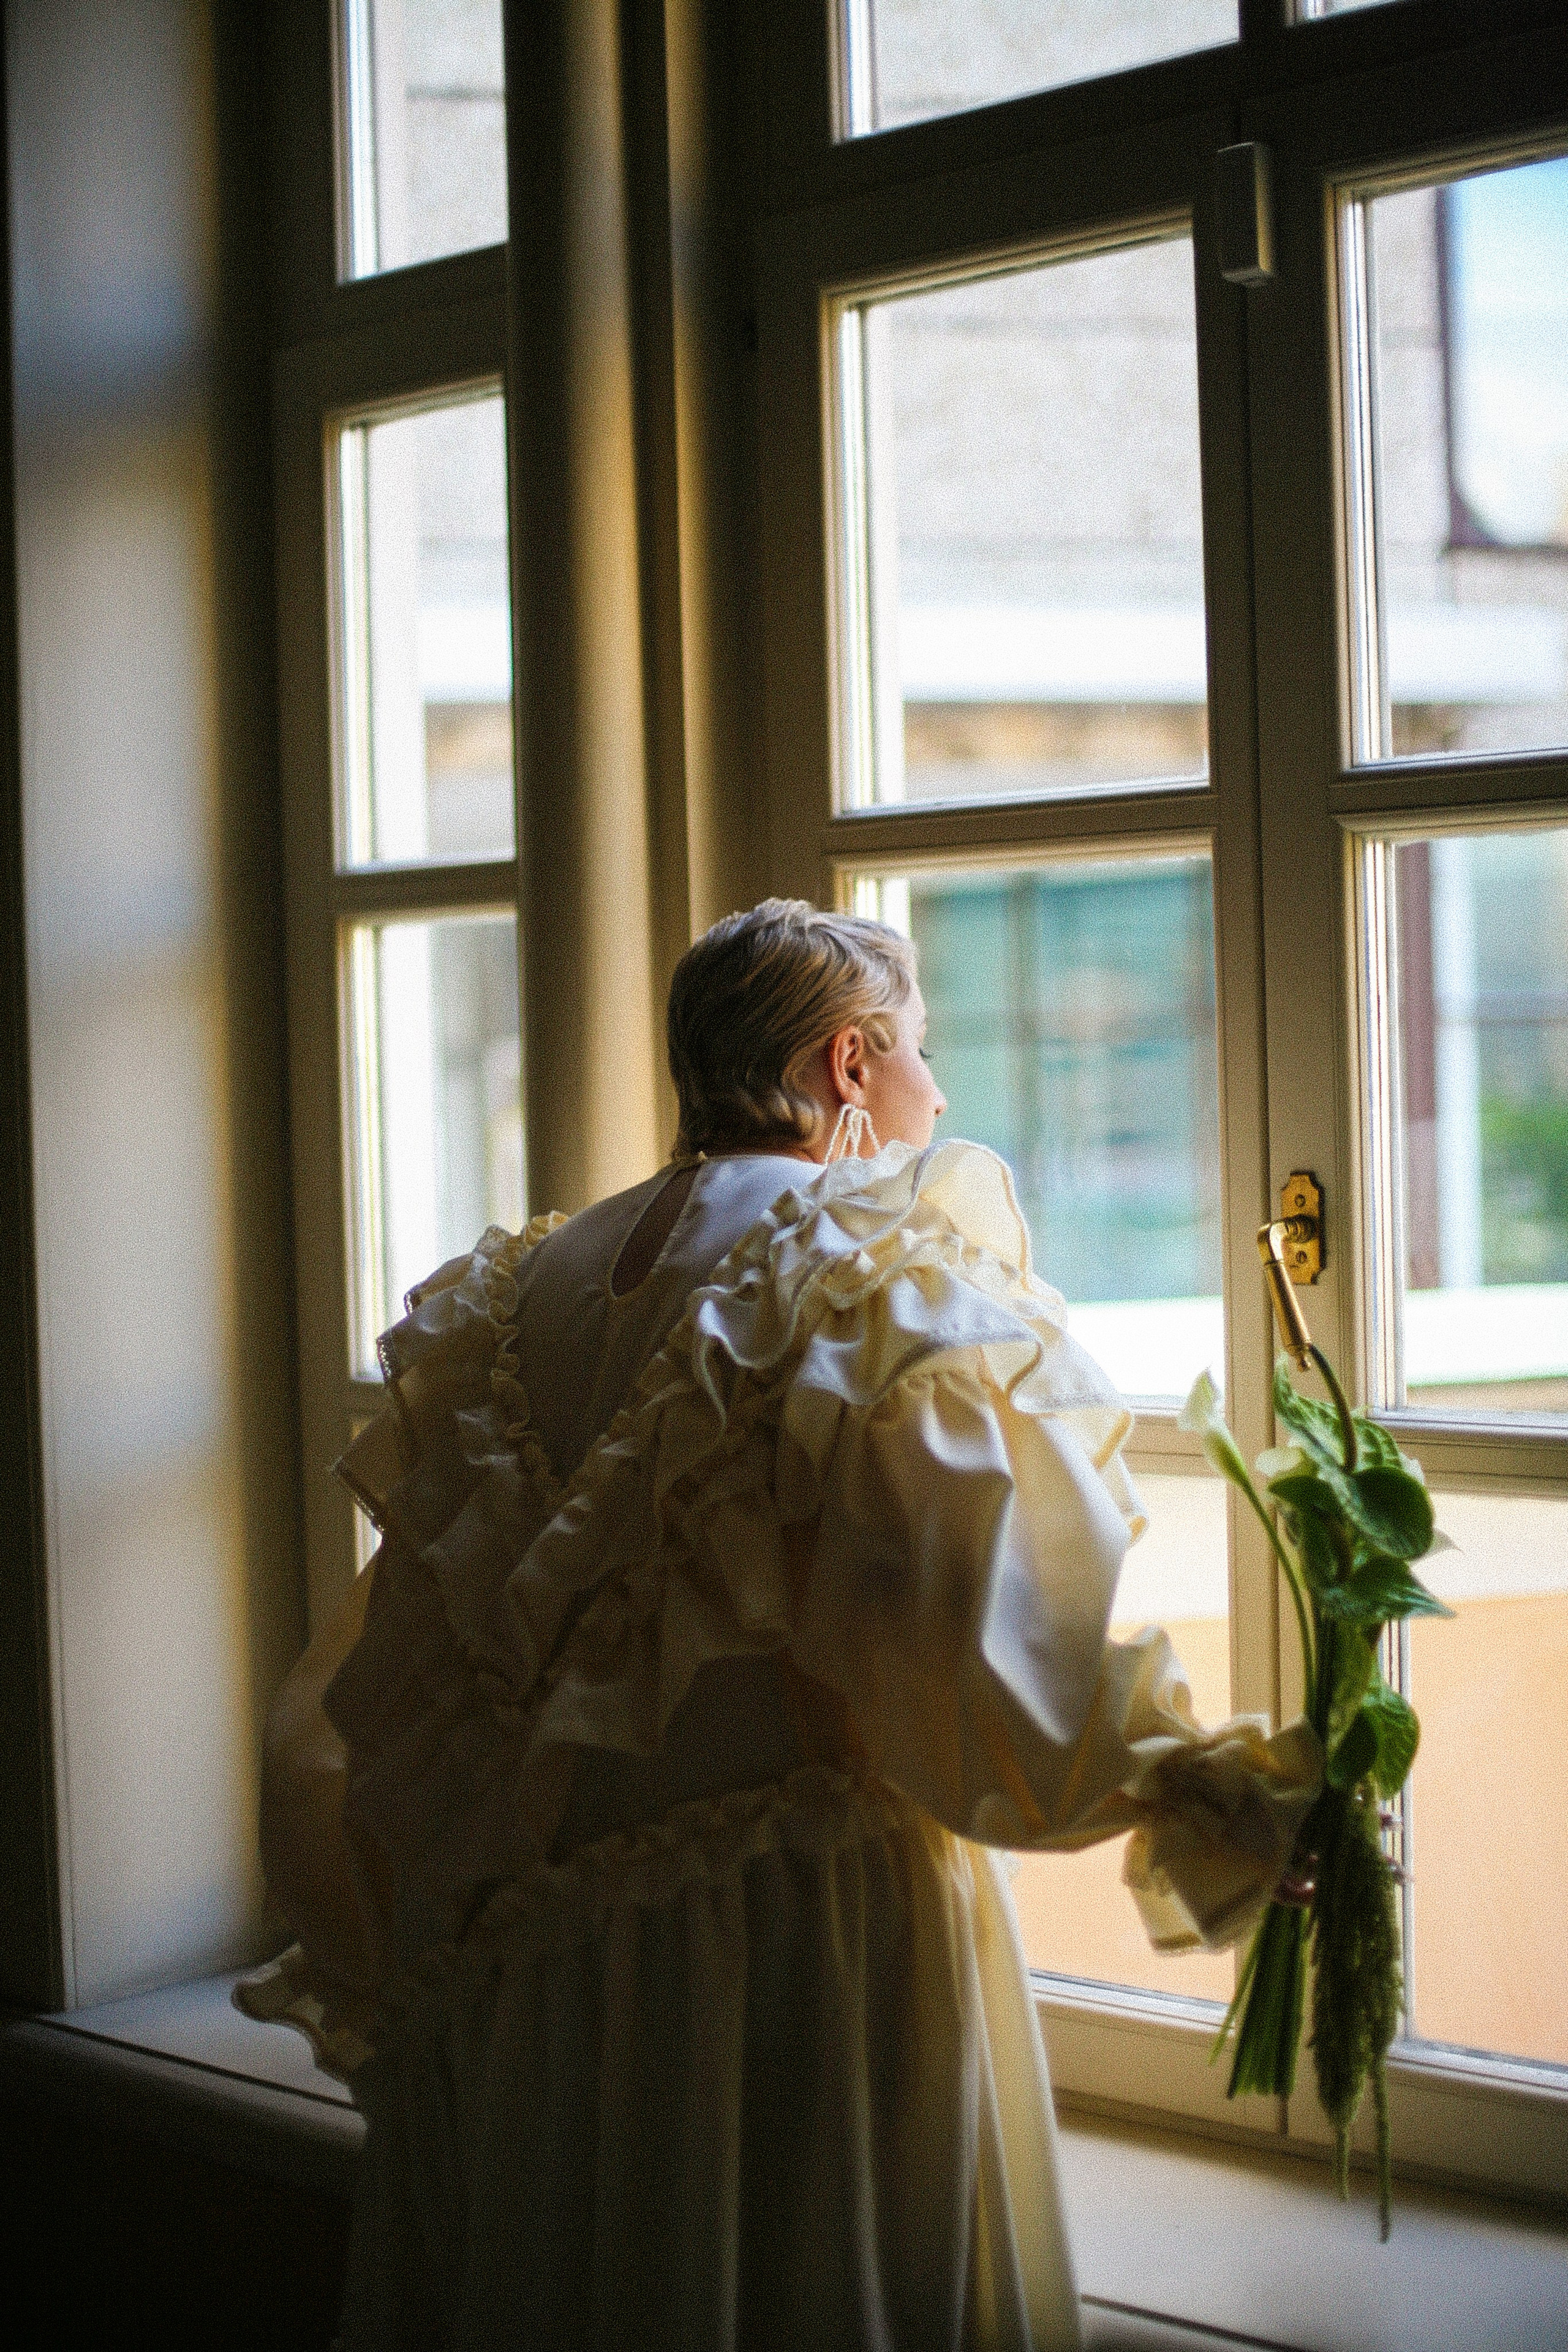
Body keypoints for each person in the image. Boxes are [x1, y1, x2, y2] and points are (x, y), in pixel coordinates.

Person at [244, 898, 1319, 2351]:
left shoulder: (518, 1297)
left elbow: (380, 1690)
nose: (938, 1094)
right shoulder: (871, 1272)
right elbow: (981, 1665)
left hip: (543, 1991)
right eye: (922, 1054)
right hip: (799, 1958)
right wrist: (1200, 1784)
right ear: (847, 1061)